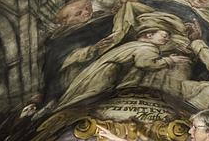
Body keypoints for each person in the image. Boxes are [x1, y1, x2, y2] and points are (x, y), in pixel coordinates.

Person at [43, 0, 209, 103]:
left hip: (177, 57)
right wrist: (124, 9)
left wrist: (193, 40)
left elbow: (201, 56)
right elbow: (128, 17)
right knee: (104, 73)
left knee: (164, 92)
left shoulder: (208, 24)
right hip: (138, 42)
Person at [56, 19, 190, 110]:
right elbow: (145, 64)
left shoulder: (132, 44)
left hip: (96, 70)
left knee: (80, 95)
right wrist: (170, 60)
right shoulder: (147, 47)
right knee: (88, 97)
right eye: (164, 35)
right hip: (104, 75)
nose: (166, 40)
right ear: (149, 35)